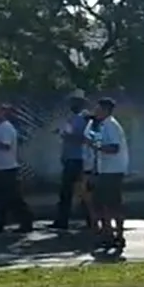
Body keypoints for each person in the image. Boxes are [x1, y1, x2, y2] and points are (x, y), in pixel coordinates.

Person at [0, 104, 34, 234]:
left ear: (4, 113)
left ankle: (26, 221)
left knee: (13, 198)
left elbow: (6, 145)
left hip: (6, 169)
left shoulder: (6, 128)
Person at [90, 97, 129, 249]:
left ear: (105, 110)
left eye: (98, 109)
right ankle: (108, 234)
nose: (96, 112)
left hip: (113, 170)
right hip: (105, 170)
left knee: (112, 204)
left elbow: (114, 148)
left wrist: (96, 146)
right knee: (102, 204)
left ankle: (117, 235)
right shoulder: (103, 125)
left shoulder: (111, 125)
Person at [52, 92, 90, 229]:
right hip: (70, 158)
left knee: (72, 191)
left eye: (75, 102)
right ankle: (64, 220)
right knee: (71, 191)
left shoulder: (82, 119)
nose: (72, 105)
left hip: (77, 159)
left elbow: (82, 138)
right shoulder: (72, 118)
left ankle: (89, 219)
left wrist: (67, 136)